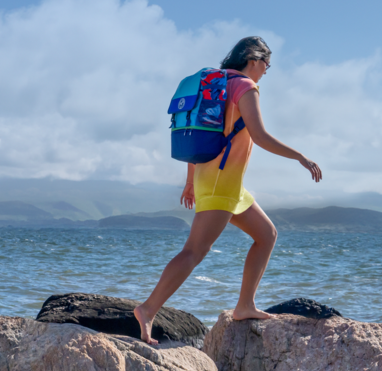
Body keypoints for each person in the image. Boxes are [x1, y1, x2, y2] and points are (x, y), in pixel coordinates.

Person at [135, 36, 322, 344]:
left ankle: (245, 305)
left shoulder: (217, 83)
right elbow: (259, 135)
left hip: (221, 180)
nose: (266, 71)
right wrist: (300, 156)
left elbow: (202, 133)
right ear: (254, 60)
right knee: (194, 251)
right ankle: (148, 309)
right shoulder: (245, 86)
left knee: (266, 235)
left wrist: (189, 181)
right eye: (267, 65)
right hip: (222, 181)